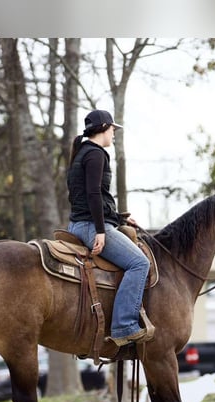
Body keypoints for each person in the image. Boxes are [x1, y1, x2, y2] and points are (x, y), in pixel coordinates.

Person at [67, 109, 154, 347]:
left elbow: (91, 197)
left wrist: (119, 219)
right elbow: (93, 194)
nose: (114, 133)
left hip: (77, 224)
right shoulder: (96, 154)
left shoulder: (82, 153)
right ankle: (124, 326)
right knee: (140, 263)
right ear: (104, 128)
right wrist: (101, 231)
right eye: (113, 129)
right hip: (91, 227)